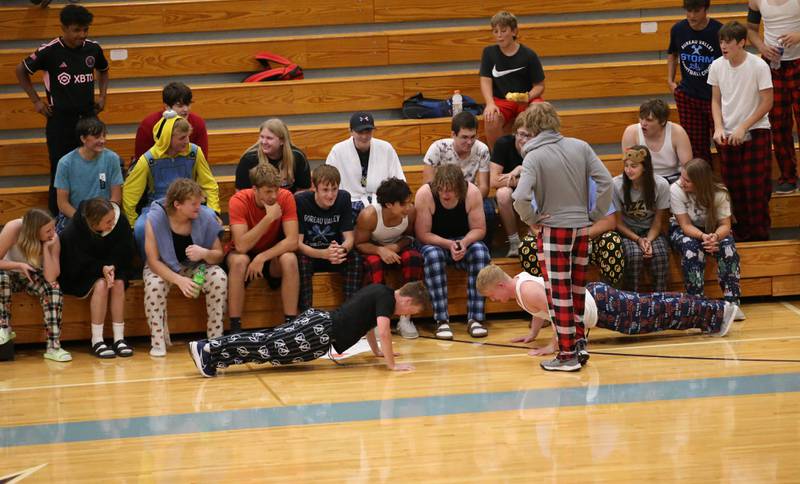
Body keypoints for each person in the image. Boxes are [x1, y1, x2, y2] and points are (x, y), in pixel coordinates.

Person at [512, 102, 613, 372]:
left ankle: (567, 354)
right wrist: (596, 214)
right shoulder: (580, 146)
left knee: (559, 294)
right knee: (577, 289)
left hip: (553, 229)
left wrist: (532, 219)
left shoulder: (533, 157)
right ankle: (579, 344)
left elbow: (519, 197)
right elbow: (606, 182)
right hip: (581, 228)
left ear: (532, 128)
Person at [476, 265, 738, 361]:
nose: (495, 301)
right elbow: (543, 312)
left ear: (500, 285)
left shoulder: (526, 290)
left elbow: (559, 312)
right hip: (598, 302)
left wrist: (552, 345)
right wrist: (532, 333)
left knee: (659, 310)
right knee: (657, 307)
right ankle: (713, 315)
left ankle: (719, 312)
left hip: (602, 305)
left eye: (491, 296)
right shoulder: (521, 286)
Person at [187, 281, 430, 377]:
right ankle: (208, 346)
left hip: (319, 331)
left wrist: (377, 352)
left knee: (268, 350)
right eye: (411, 311)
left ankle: (214, 357)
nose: (406, 315)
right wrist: (391, 365)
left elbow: (369, 328)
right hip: (320, 331)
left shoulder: (381, 292)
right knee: (266, 344)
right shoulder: (387, 299)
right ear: (407, 301)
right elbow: (384, 330)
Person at [15, 4, 109, 215]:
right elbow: (21, 70)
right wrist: (36, 102)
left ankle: (94, 215)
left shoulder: (93, 49)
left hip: (89, 119)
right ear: (64, 28)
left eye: (85, 30)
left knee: (94, 165)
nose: (82, 35)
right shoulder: (49, 51)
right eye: (76, 30)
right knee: (60, 169)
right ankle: (57, 219)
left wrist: (102, 96)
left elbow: (104, 70)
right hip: (60, 121)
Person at [143, 179, 227, 357]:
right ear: (177, 204)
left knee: (219, 277)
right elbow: (153, 261)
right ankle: (158, 342)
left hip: (195, 267)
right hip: (163, 267)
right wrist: (178, 280)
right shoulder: (156, 219)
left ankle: (215, 340)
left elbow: (218, 255)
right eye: (194, 203)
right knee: (154, 285)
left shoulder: (204, 216)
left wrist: (204, 253)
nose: (200, 206)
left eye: (200, 202)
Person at [709, 20, 773, 242]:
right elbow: (715, 101)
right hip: (727, 134)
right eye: (721, 41)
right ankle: (743, 234)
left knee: (755, 188)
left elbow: (767, 102)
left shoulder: (758, 66)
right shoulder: (717, 65)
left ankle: (760, 235)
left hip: (756, 131)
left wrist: (744, 126)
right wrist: (718, 127)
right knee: (733, 188)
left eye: (729, 42)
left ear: (742, 42)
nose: (724, 46)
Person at [124, 111, 220, 255]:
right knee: (141, 228)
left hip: (190, 202)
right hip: (157, 206)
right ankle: (151, 265)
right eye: (182, 137)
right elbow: (130, 193)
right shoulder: (148, 159)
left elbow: (209, 184)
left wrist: (214, 209)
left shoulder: (195, 152)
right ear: (168, 138)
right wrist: (132, 222)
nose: (187, 141)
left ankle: (205, 261)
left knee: (211, 219)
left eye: (188, 136)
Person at [415, 164, 491, 340]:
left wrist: (463, 243)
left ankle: (476, 318)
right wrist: (449, 244)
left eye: (450, 190)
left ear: (460, 188)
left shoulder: (472, 192)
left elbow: (479, 229)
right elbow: (422, 234)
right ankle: (441, 320)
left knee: (480, 252)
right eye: (441, 190)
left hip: (463, 240)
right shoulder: (425, 194)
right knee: (432, 256)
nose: (445, 194)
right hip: (435, 242)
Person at [227, 163, 299, 334]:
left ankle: (290, 325)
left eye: (276, 190)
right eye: (268, 191)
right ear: (255, 189)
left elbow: (293, 241)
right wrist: (268, 219)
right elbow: (241, 246)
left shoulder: (286, 197)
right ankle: (235, 328)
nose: (273, 196)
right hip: (244, 253)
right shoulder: (239, 200)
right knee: (239, 260)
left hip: (269, 254)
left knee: (289, 258)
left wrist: (262, 257)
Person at [669, 158, 745, 320]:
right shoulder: (676, 189)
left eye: (687, 180)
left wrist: (715, 237)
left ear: (700, 182)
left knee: (728, 248)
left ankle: (732, 303)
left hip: (713, 230)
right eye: (682, 177)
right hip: (685, 230)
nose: (682, 182)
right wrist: (704, 238)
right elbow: (685, 225)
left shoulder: (719, 192)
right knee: (692, 248)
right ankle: (696, 304)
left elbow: (725, 225)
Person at [59, 198, 134, 358]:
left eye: (113, 218)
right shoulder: (73, 231)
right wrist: (100, 268)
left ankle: (119, 338)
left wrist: (113, 265)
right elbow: (74, 263)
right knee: (101, 284)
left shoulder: (119, 221)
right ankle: (97, 340)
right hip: (84, 272)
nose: (112, 223)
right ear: (93, 223)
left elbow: (127, 250)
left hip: (114, 267)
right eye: (108, 221)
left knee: (119, 282)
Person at [518, 179, 626, 288]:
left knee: (612, 240)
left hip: (586, 240)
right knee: (527, 246)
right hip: (553, 242)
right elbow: (533, 223)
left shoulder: (593, 183)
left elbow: (609, 221)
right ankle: (542, 297)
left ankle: (609, 295)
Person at [354, 178, 422, 339]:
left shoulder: (411, 212)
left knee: (414, 258)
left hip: (398, 248)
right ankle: (376, 319)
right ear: (389, 204)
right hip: (373, 250)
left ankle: (405, 319)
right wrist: (380, 250)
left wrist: (396, 247)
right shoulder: (369, 215)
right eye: (403, 204)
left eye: (409, 202)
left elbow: (410, 238)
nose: (408, 207)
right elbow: (359, 244)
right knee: (374, 263)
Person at [0, 209, 69, 362]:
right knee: (1, 278)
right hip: (10, 272)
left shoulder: (53, 239)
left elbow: (51, 277)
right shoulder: (14, 228)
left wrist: (46, 247)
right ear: (33, 231)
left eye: (53, 228)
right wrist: (18, 265)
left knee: (53, 289)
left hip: (32, 275)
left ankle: (53, 346)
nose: (53, 233)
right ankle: (4, 327)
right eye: (48, 230)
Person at [746, 0, 800, 194]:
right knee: (778, 124)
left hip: (798, 61)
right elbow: (751, 29)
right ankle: (788, 176)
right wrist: (762, 46)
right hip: (772, 64)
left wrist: (798, 36)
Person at [295, 165, 362, 311]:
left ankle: (350, 313)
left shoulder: (344, 198)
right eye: (325, 190)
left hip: (334, 255)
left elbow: (349, 238)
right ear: (314, 187)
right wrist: (322, 254)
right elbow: (297, 244)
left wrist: (341, 250)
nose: (331, 195)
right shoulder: (300, 201)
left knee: (355, 258)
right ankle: (306, 314)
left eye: (334, 189)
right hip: (311, 254)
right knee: (300, 260)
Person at [422, 111, 495, 245]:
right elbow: (429, 184)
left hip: (468, 196)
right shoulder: (437, 148)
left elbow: (484, 186)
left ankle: (485, 251)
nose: (469, 142)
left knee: (489, 210)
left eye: (473, 137)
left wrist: (470, 200)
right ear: (453, 135)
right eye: (464, 137)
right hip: (442, 196)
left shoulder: (482, 149)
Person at [667, 0, 723, 164]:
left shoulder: (719, 30)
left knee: (723, 143)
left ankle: (728, 184)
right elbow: (672, 54)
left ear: (706, 9)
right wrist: (670, 80)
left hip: (715, 96)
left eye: (696, 11)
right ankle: (703, 185)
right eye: (688, 11)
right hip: (689, 95)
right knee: (696, 148)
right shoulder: (678, 29)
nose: (691, 16)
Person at [479, 11, 545, 149]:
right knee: (491, 118)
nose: (499, 35)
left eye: (503, 31)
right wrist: (490, 103)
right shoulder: (489, 53)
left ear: (514, 31)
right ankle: (498, 160)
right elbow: (485, 80)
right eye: (495, 31)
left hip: (526, 99)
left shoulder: (529, 55)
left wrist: (528, 97)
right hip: (502, 101)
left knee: (540, 109)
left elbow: (539, 86)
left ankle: (538, 155)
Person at [613, 146, 671, 292]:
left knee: (661, 256)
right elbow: (618, 223)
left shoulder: (661, 185)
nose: (628, 170)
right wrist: (638, 240)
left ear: (645, 167)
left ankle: (660, 300)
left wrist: (648, 241)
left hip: (650, 231)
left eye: (634, 166)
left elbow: (658, 221)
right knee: (633, 256)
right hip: (628, 231)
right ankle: (632, 300)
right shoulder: (616, 185)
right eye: (626, 166)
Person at [325, 112, 405, 217]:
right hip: (350, 201)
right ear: (351, 131)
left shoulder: (386, 148)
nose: (364, 136)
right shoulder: (338, 151)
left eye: (368, 131)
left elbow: (398, 179)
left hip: (382, 200)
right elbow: (329, 179)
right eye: (360, 132)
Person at [53, 116, 123, 233]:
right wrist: (84, 221)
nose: (102, 140)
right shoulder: (65, 163)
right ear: (83, 139)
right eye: (97, 137)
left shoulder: (112, 159)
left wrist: (106, 218)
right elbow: (62, 203)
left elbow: (115, 197)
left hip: (106, 215)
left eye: (104, 136)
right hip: (76, 216)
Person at [621, 99, 693, 184]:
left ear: (662, 121)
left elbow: (688, 166)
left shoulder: (677, 132)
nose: (643, 123)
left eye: (649, 120)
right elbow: (630, 164)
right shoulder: (631, 132)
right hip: (643, 179)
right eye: (641, 118)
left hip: (673, 179)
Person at [134, 82, 208, 162]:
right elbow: (141, 160)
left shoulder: (198, 123)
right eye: (180, 106)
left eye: (188, 104)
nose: (186, 109)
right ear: (167, 107)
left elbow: (202, 160)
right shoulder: (148, 125)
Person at [234, 118, 311, 193]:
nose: (264, 142)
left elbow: (303, 191)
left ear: (282, 141)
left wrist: (287, 204)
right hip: (258, 205)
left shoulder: (297, 157)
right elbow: (241, 194)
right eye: (262, 137)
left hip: (289, 203)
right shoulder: (249, 159)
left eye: (269, 138)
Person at [490, 116, 528, 257]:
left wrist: (519, 171)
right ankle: (514, 242)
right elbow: (493, 181)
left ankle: (535, 239)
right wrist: (521, 179)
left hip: (534, 191)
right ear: (515, 133)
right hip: (512, 190)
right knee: (502, 194)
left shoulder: (539, 148)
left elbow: (544, 181)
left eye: (529, 135)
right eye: (521, 134)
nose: (524, 140)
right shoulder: (504, 144)